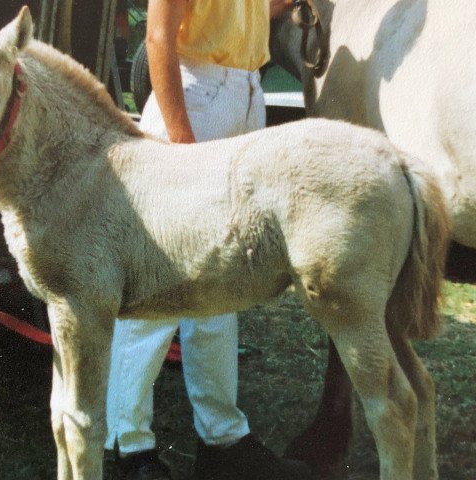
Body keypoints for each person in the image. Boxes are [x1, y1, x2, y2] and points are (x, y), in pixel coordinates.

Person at [106, 1, 305, 479]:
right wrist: (181, 141)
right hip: (195, 95)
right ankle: (127, 445)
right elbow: (158, 38)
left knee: (224, 282)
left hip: (245, 94)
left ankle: (222, 440)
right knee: (162, 282)